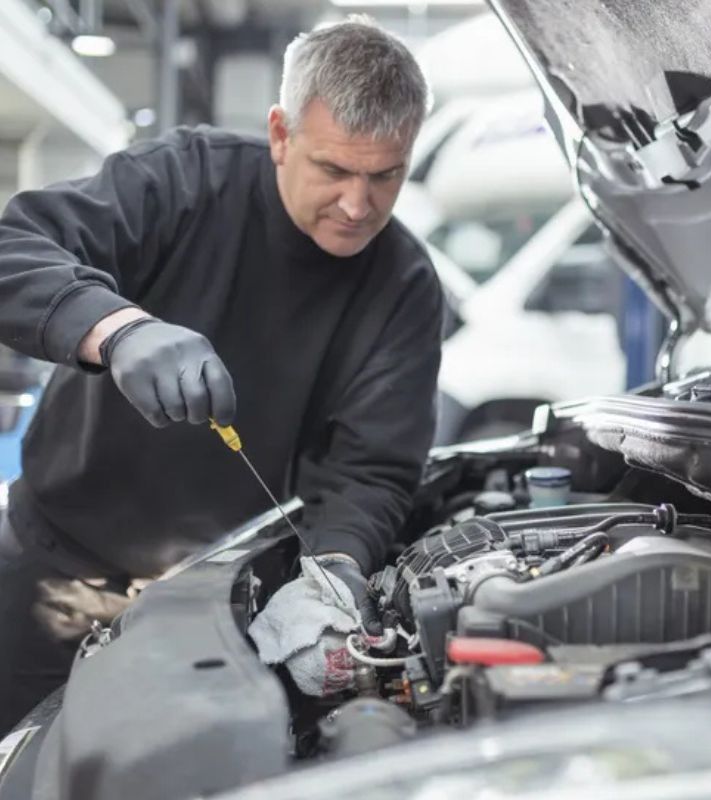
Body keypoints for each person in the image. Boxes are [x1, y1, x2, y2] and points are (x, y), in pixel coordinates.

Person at [0, 17, 442, 730]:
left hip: (221, 607)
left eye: (384, 175)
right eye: (334, 170)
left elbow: (372, 469)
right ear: (280, 134)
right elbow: (12, 247)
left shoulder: (404, 286)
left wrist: (334, 571)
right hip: (56, 574)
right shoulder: (184, 181)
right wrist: (116, 330)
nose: (358, 206)